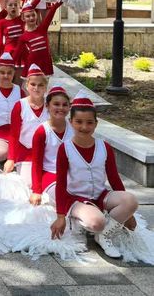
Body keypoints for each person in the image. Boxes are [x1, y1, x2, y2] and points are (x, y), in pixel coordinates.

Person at [50, 93, 139, 259]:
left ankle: (104, 236)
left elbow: (114, 179)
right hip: (75, 198)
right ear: (71, 122)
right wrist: (60, 216)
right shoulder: (65, 149)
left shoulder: (104, 147)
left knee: (131, 200)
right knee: (97, 222)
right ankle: (79, 221)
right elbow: (61, 184)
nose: (84, 127)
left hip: (100, 195)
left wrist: (128, 214)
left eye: (89, 122)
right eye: (79, 122)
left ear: (96, 124)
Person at [4, 64, 50, 186]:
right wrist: (10, 158)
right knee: (29, 184)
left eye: (41, 85)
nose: (36, 88)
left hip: (47, 152)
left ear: (46, 88)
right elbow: (14, 134)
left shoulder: (50, 106)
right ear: (26, 85)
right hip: (26, 152)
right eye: (33, 84)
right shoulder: (20, 106)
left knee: (48, 181)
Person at [30, 86, 74, 206]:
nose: (61, 108)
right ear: (47, 106)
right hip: (50, 174)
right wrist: (36, 190)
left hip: (72, 174)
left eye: (65, 105)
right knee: (63, 198)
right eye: (56, 104)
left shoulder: (74, 129)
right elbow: (37, 162)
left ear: (69, 107)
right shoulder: (42, 131)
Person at [12, 0, 63, 78]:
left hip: (45, 62)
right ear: (23, 18)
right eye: (28, 16)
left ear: (36, 15)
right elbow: (17, 53)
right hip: (32, 63)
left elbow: (51, 12)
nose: (31, 18)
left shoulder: (43, 28)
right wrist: (7, 64)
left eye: (33, 15)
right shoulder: (23, 36)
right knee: (32, 88)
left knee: (44, 87)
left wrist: (60, 1)